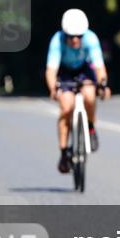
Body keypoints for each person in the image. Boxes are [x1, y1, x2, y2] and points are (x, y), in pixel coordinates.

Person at [45, 9, 111, 173]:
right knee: (66, 107)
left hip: (84, 70)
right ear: (65, 34)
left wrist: (103, 85)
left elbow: (99, 67)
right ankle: (63, 153)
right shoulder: (57, 40)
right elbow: (51, 70)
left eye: (79, 36)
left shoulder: (91, 38)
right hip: (64, 72)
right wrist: (53, 88)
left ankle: (91, 128)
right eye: (71, 36)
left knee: (89, 96)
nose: (75, 40)